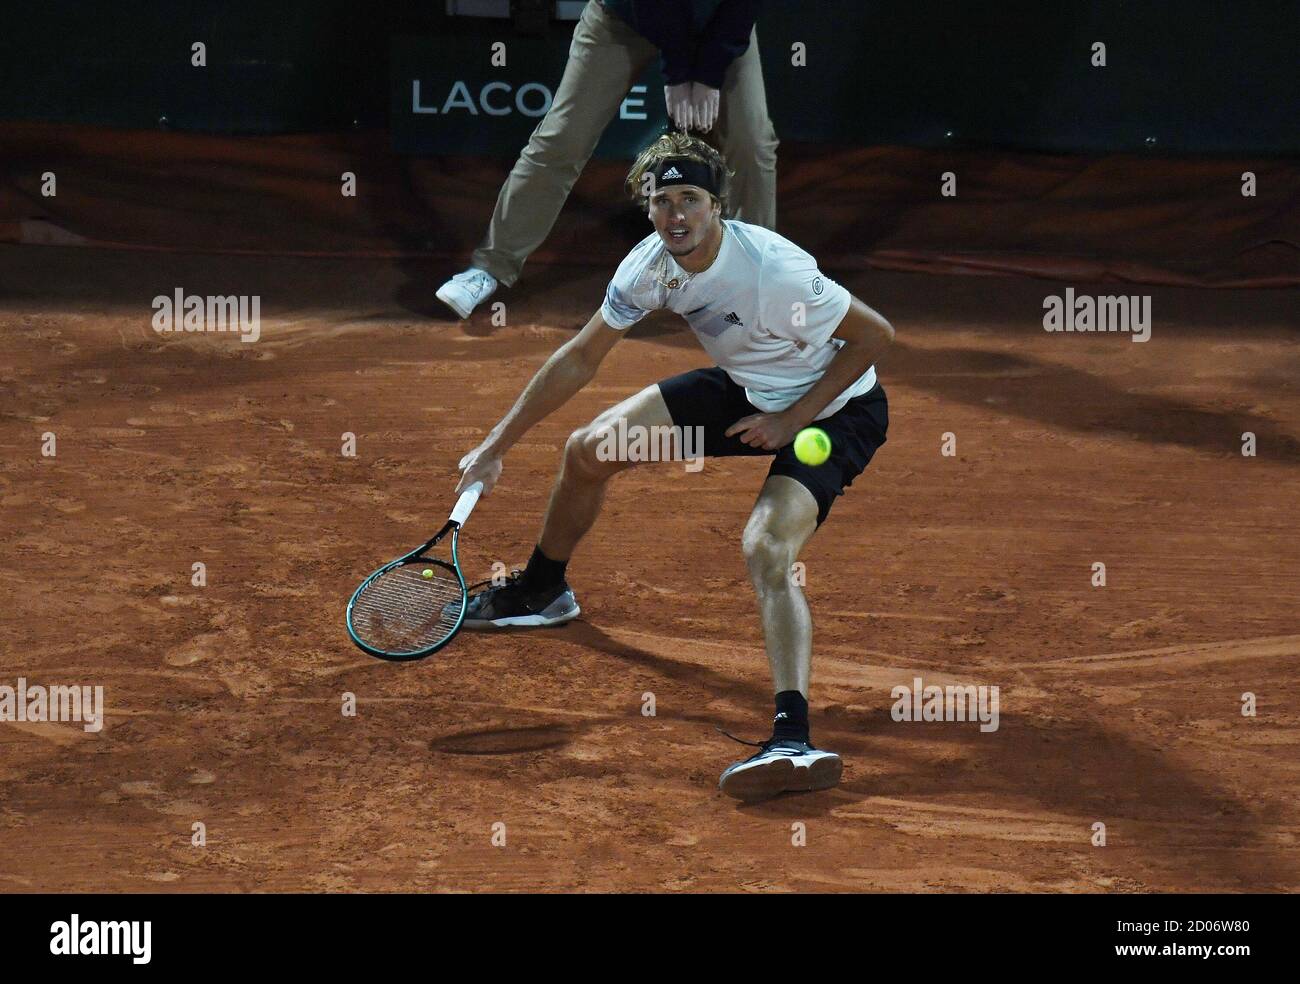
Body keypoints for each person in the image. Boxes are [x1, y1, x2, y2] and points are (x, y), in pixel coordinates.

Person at [455, 132, 894, 801]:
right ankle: (542, 589)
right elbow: (580, 356)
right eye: (661, 202)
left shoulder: (774, 273)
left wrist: (794, 419)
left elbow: (874, 336)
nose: (675, 215)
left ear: (717, 205)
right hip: (747, 391)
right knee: (587, 450)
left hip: (833, 412)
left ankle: (793, 737)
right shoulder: (650, 266)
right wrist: (494, 445)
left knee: (766, 548)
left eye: (690, 198)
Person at [436, 0, 776, 320]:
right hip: (623, 17)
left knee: (753, 145)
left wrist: (707, 71)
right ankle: (491, 267)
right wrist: (678, 71)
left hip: (717, 22)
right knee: (562, 139)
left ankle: (755, 280)